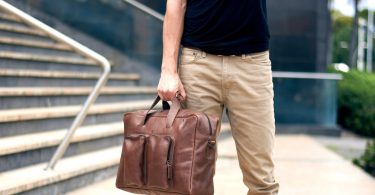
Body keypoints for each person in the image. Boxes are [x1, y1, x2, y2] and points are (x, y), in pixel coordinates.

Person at [157, 0, 280, 194]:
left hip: (252, 66)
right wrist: (168, 70)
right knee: (191, 176)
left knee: (262, 181)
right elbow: (176, 4)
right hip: (198, 65)